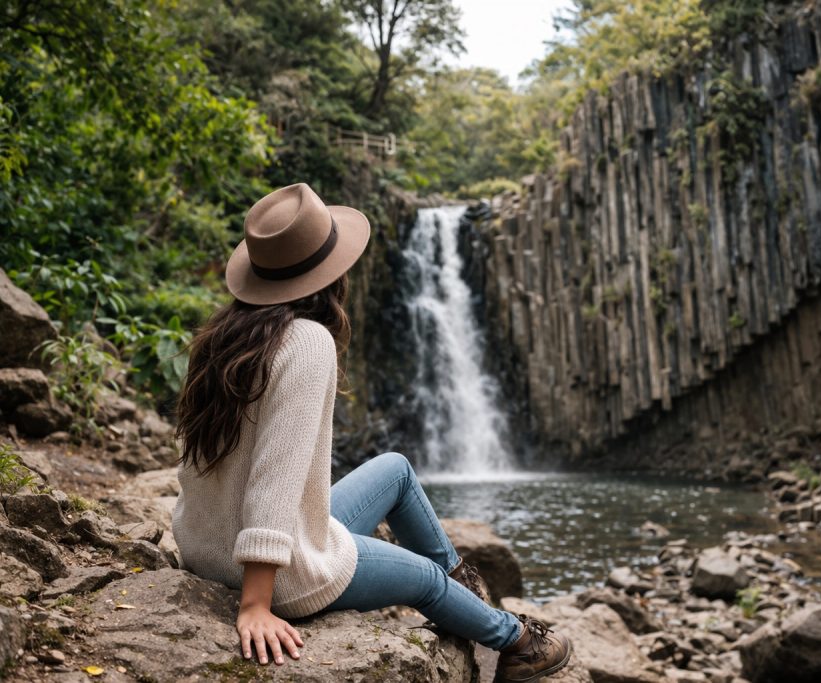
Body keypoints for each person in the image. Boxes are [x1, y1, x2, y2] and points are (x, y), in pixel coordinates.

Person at [170, 183, 572, 683]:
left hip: (206, 546)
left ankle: (462, 588)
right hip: (273, 574)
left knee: (396, 470)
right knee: (424, 578)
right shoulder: (307, 341)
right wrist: (256, 604)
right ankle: (518, 642)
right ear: (328, 274)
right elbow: (275, 480)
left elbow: (195, 462)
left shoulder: (219, 339)